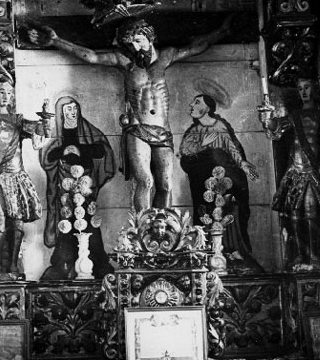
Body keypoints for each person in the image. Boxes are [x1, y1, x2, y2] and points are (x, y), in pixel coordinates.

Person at [28, 14, 236, 212]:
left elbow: (196, 47)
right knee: (145, 181)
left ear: (149, 36)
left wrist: (223, 31)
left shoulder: (166, 56)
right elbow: (91, 57)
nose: (135, 48)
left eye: (138, 41)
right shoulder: (125, 62)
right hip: (138, 129)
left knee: (166, 184)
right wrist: (56, 41)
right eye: (131, 44)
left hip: (163, 131)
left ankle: (164, 231)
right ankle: (142, 230)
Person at [0, 80, 51, 280]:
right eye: (1, 92)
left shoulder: (18, 120)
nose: (5, 96)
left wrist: (46, 120)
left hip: (17, 177)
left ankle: (13, 265)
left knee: (18, 223)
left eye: (9, 93)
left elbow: (39, 135)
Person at [260, 77, 320, 270]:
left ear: (314, 90)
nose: (303, 92)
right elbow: (277, 128)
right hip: (295, 170)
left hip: (312, 170)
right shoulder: (295, 116)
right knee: (295, 215)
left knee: (311, 213)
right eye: (300, 89)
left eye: (307, 87)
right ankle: (299, 256)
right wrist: (267, 119)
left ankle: (316, 258)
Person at [180, 93, 263, 272]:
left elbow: (232, 148)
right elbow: (185, 152)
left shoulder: (221, 126)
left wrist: (243, 164)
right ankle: (209, 254)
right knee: (207, 215)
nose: (191, 106)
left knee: (229, 212)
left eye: (196, 103)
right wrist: (203, 145)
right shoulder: (193, 131)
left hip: (225, 183)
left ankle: (233, 253)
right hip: (204, 186)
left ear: (207, 108)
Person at [39, 96, 116, 280]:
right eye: (67, 110)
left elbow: (101, 149)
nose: (72, 113)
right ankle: (63, 263)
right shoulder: (57, 132)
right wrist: (63, 152)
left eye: (74, 108)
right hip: (64, 185)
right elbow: (48, 156)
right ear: (61, 114)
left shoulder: (87, 129)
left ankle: (97, 263)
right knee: (66, 221)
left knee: (88, 221)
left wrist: (80, 150)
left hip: (86, 185)